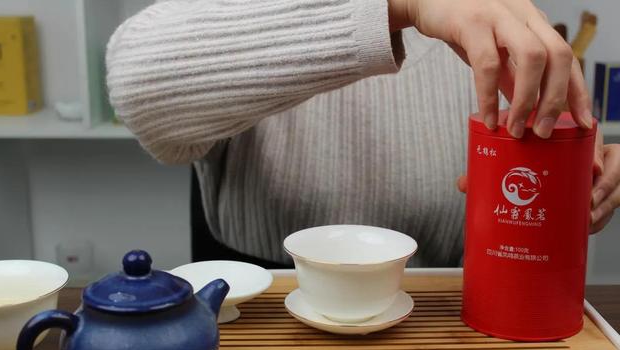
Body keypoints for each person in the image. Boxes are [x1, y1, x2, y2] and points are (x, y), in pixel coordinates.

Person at [106, 0, 620, 268]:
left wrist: (577, 182)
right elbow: (137, 86)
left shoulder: (491, 17)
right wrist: (400, 7)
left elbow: (527, 179)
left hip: (443, 334)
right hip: (262, 339)